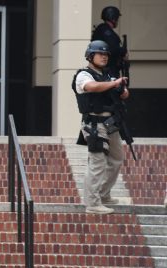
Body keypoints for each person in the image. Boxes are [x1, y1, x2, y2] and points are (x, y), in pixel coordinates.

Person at [72, 40, 130, 214]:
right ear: (91, 56)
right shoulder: (84, 75)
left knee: (116, 159)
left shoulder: (108, 75)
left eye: (106, 54)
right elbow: (92, 87)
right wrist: (114, 84)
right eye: (100, 54)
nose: (104, 57)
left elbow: (124, 94)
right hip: (94, 124)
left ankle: (104, 194)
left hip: (111, 123)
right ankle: (92, 203)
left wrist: (122, 89)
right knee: (97, 163)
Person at [91, 6, 127, 78]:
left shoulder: (103, 29)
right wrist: (123, 51)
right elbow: (113, 48)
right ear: (113, 18)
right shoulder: (106, 31)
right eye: (117, 18)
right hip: (108, 70)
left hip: (107, 68)